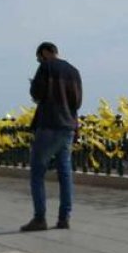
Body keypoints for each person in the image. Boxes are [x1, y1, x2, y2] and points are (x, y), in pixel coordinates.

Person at [21, 42, 82, 232]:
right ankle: (64, 218)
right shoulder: (74, 71)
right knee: (65, 174)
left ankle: (40, 218)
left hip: (49, 124)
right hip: (68, 126)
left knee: (37, 173)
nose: (39, 60)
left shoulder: (46, 66)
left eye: (39, 57)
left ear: (46, 52)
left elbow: (37, 93)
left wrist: (34, 87)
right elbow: (77, 102)